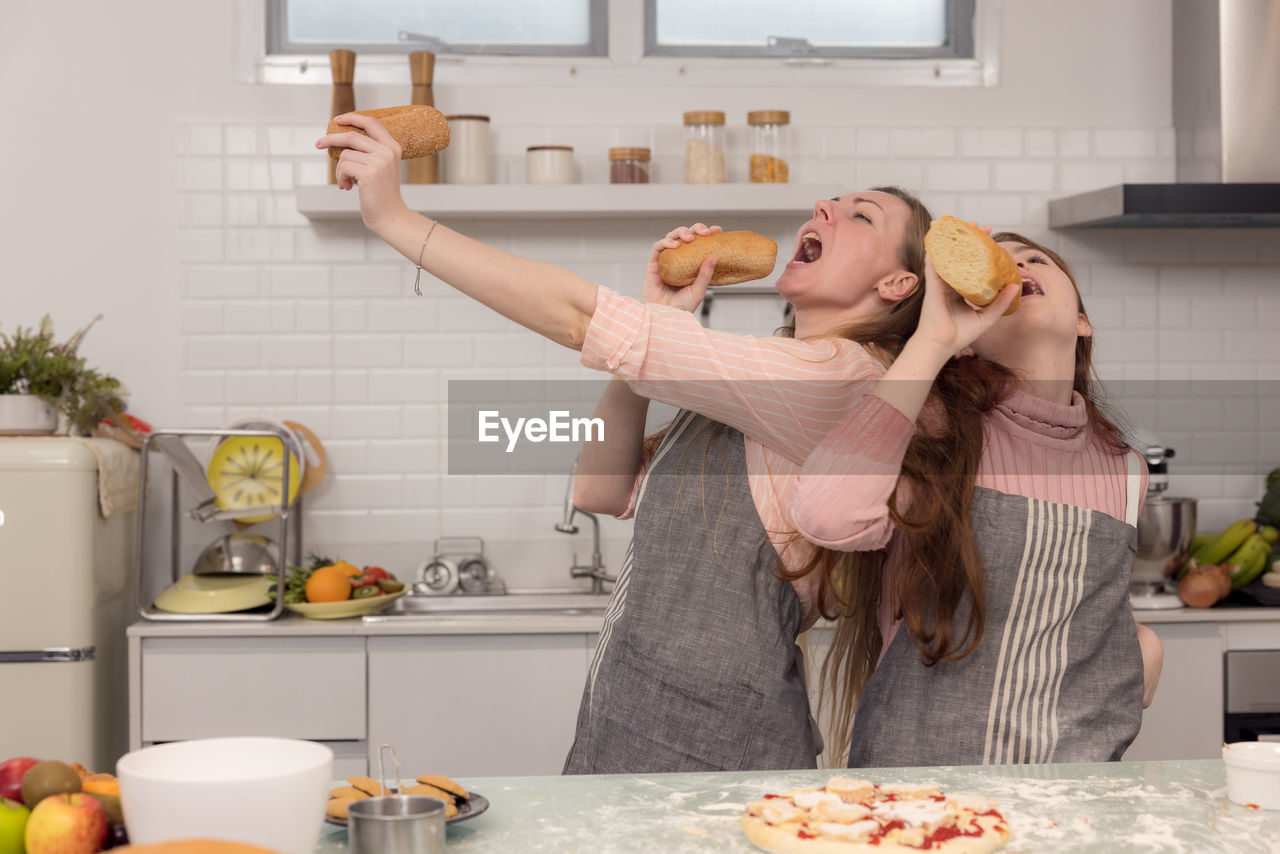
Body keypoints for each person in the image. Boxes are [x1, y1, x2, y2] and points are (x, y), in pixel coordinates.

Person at [316, 114, 931, 772]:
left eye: (860, 216)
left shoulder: (845, 379)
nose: (826, 208)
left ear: (896, 285)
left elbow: (581, 317)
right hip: (622, 714)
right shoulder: (767, 373)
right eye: (831, 203)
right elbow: (601, 489)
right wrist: (659, 325)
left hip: (719, 746)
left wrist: (393, 217)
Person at [788, 232, 1164, 767]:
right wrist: (934, 339)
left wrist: (1145, 650)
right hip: (921, 796)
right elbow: (825, 516)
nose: (1018, 263)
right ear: (969, 339)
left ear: (1083, 322)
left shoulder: (1125, 467)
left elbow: (1084, 617)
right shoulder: (935, 429)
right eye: (1003, 263)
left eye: (1036, 259)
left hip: (1072, 800)